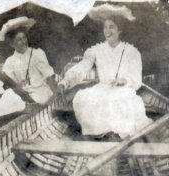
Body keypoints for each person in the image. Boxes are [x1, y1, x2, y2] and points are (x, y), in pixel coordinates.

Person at [58, 4, 152, 139]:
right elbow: (82, 67)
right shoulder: (96, 50)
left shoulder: (132, 52)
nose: (107, 31)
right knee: (85, 98)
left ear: (120, 30)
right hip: (102, 89)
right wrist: (66, 81)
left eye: (112, 27)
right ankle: (104, 134)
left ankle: (116, 134)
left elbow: (136, 79)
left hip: (123, 90)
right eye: (105, 27)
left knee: (122, 101)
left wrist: (124, 80)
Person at [0, 16, 56, 120]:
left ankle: (18, 119)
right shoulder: (10, 61)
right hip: (19, 94)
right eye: (19, 40)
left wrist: (56, 97)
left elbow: (49, 77)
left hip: (39, 93)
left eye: (24, 38)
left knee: (19, 106)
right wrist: (19, 84)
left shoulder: (37, 54)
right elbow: (8, 85)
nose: (23, 41)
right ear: (12, 44)